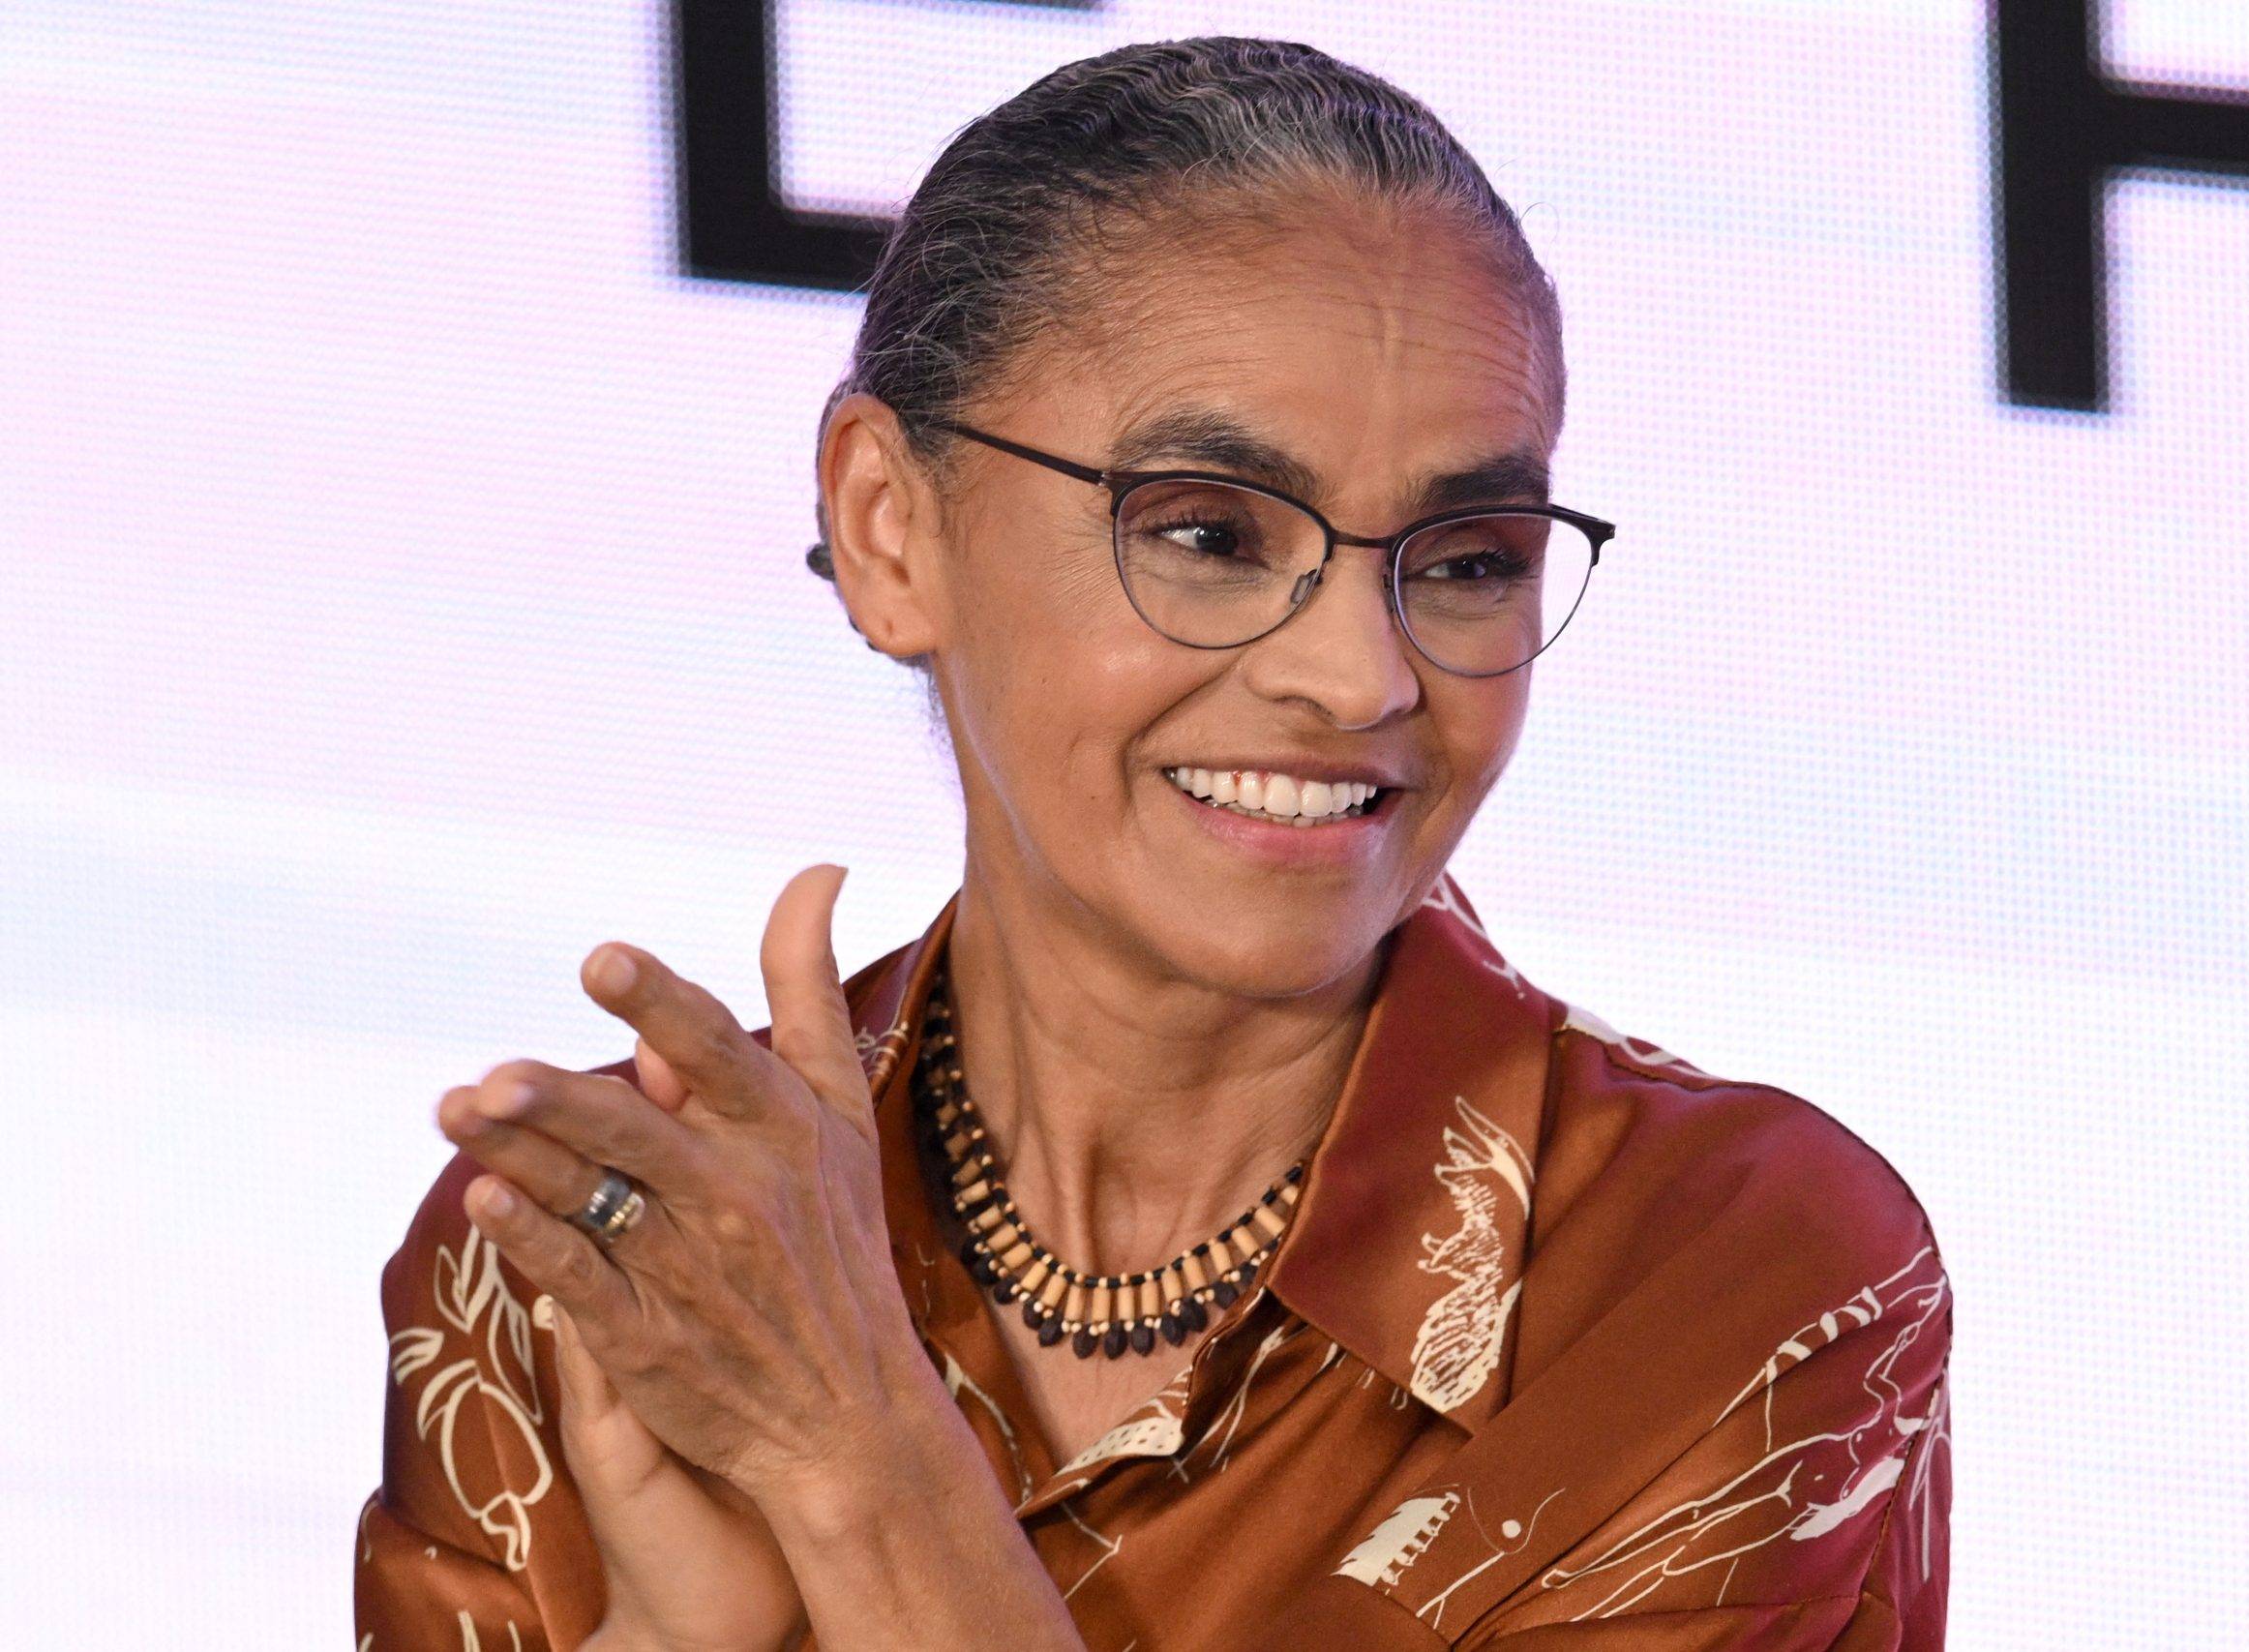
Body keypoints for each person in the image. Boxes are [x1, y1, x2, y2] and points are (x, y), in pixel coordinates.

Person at [354, 35, 1949, 1651]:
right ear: (890, 528)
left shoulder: (1727, 1277)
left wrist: (855, 1466)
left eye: (1469, 560)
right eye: (1207, 534)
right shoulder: (597, 1248)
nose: (1361, 677)